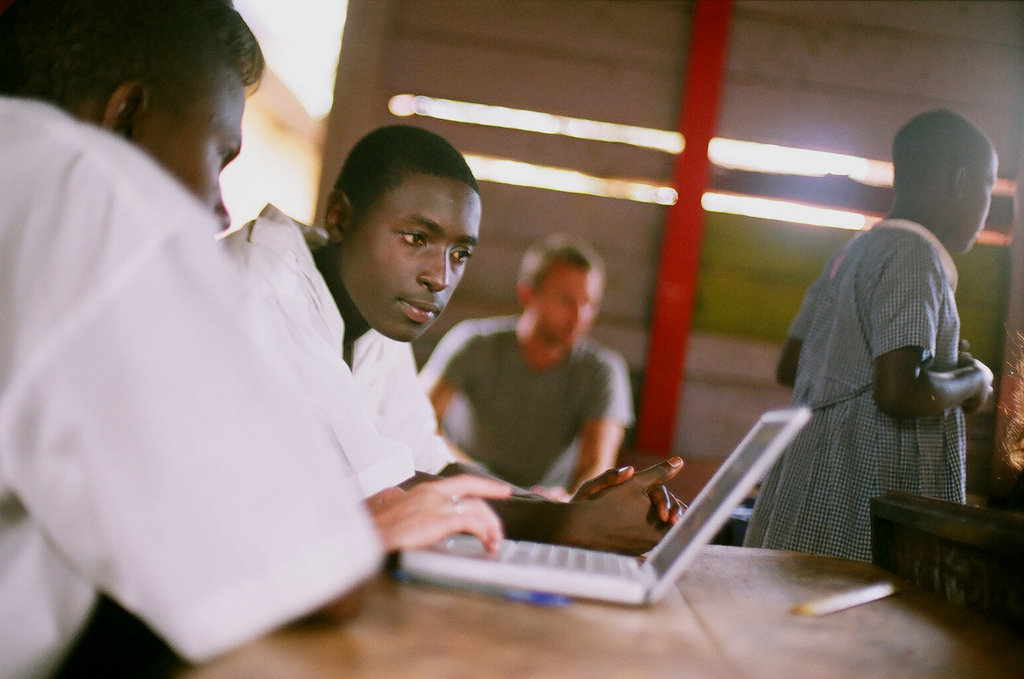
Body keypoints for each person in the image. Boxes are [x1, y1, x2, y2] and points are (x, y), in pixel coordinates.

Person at [0, 2, 506, 677]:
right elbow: (317, 578)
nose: (220, 208)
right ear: (124, 119)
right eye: (217, 157)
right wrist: (348, 540)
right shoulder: (84, 190)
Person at [222, 125, 686, 556]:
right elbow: (380, 488)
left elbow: (430, 461)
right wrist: (566, 525)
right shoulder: (267, 281)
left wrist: (568, 511)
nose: (440, 277)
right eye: (415, 237)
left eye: (459, 253)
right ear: (341, 217)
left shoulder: (373, 317)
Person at [744, 109, 997, 562]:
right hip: (859, 492)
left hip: (805, 483)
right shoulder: (915, 255)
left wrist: (932, 366)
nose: (988, 206)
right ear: (961, 182)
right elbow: (898, 391)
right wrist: (971, 382)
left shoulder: (851, 253)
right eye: (988, 187)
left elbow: (791, 364)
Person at [420, 234, 633, 499]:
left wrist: (570, 500)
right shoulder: (472, 343)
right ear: (527, 293)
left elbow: (597, 465)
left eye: (588, 303)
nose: (579, 316)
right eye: (565, 301)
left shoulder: (602, 371)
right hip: (460, 491)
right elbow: (416, 419)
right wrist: (470, 474)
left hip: (544, 506)